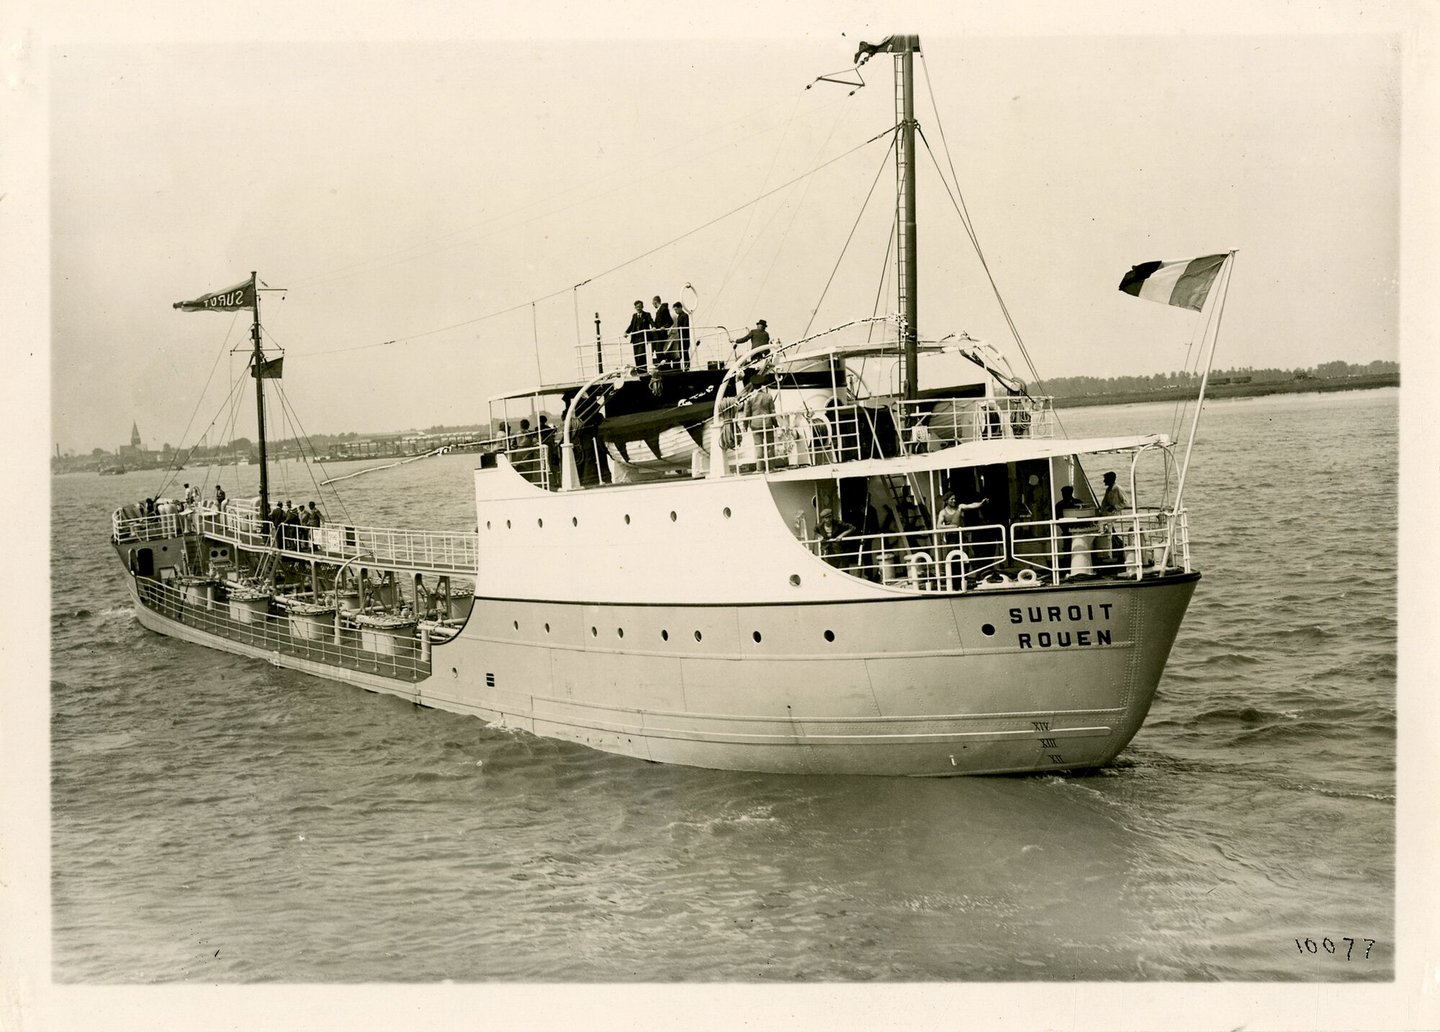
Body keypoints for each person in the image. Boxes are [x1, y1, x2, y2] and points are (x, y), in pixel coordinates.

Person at [625, 300, 653, 368]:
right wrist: (626, 332)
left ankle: (643, 369)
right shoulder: (634, 316)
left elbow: (650, 321)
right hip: (635, 338)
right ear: (635, 307)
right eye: (637, 307)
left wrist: (653, 326)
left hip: (642, 338)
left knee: (641, 354)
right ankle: (639, 370)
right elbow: (631, 325)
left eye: (640, 306)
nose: (638, 308)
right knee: (636, 355)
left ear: (642, 307)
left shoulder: (646, 314)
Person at [651, 296, 673, 367]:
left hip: (661, 334)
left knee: (659, 351)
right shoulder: (659, 310)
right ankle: (664, 365)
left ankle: (666, 363)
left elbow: (670, 321)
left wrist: (664, 327)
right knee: (658, 351)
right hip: (658, 334)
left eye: (653, 303)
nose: (653, 305)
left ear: (655, 302)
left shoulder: (663, 309)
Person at [671, 299, 692, 369]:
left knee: (685, 352)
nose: (675, 311)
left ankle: (687, 367)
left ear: (680, 308)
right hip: (680, 337)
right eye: (675, 310)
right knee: (681, 352)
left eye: (676, 309)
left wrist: (678, 329)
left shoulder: (685, 315)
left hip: (685, 337)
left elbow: (685, 326)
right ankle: (681, 367)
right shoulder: (679, 316)